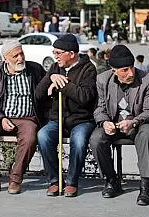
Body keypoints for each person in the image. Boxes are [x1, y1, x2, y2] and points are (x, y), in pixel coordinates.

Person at [0, 40, 48, 195]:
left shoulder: (34, 69)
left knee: (30, 138)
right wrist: (0, 119)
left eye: (21, 54)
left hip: (27, 118)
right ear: (5, 59)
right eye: (15, 56)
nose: (20, 58)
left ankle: (15, 180)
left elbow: (46, 87)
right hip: (0, 117)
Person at [89, 45, 149, 206]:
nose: (131, 73)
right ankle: (111, 180)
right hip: (114, 123)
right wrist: (105, 122)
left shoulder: (147, 79)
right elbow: (99, 108)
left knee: (148, 134)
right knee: (96, 138)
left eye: (132, 68)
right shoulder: (102, 80)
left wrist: (133, 122)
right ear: (114, 71)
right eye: (125, 70)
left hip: (139, 124)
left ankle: (145, 186)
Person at [35, 34, 97, 197]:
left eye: (58, 53)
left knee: (79, 140)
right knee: (43, 136)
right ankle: (55, 181)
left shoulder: (88, 69)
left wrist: (63, 85)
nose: (55, 56)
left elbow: (84, 97)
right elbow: (38, 94)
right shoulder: (55, 68)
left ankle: (71, 182)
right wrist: (51, 77)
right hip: (57, 119)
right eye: (54, 52)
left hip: (81, 120)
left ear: (72, 54)